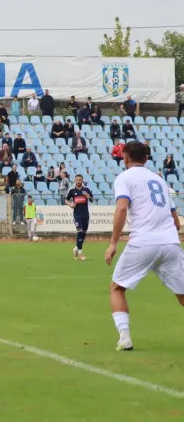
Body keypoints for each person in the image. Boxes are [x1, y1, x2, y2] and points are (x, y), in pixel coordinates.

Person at [104, 141, 184, 351]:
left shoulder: (124, 178)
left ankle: (124, 338)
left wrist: (113, 243)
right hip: (170, 242)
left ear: (124, 157)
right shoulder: (159, 180)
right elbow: (176, 223)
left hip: (143, 242)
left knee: (117, 287)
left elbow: (122, 209)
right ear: (147, 159)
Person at [65, 174, 94, 260]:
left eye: (80, 180)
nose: (78, 181)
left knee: (84, 233)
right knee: (79, 231)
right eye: (77, 180)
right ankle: (80, 252)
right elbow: (66, 199)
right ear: (75, 181)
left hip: (86, 214)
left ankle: (76, 248)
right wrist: (70, 204)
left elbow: (92, 200)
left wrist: (89, 197)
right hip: (77, 215)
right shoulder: (72, 191)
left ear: (82, 181)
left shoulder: (87, 190)